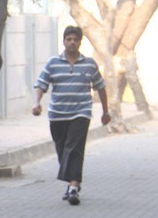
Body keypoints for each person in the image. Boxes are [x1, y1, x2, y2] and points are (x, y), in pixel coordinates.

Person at [32, 25, 110, 205]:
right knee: (62, 150)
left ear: (80, 42)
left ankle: (74, 187)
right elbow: (41, 84)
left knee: (74, 148)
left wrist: (106, 112)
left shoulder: (89, 64)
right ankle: (71, 183)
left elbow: (101, 87)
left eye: (75, 39)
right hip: (57, 114)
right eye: (69, 39)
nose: (72, 42)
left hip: (81, 113)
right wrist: (36, 104)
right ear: (64, 41)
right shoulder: (53, 63)